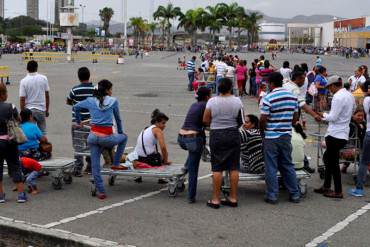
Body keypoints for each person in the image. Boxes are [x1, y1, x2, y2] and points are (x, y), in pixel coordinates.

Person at [73, 80, 128, 200]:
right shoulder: (113, 101)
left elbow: (75, 107)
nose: (112, 92)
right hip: (107, 138)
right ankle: (116, 164)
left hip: (92, 137)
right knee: (124, 137)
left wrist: (78, 121)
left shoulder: (90, 100)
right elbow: (118, 120)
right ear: (107, 91)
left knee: (95, 166)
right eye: (111, 89)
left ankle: (101, 192)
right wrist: (120, 132)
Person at [260, 72, 300, 204]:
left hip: (271, 136)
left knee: (271, 166)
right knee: (287, 164)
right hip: (286, 135)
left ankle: (272, 195)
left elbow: (263, 119)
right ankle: (294, 193)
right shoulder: (292, 97)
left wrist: (263, 131)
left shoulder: (268, 98)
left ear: (271, 83)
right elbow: (295, 120)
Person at [203, 78, 244, 209]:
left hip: (217, 134)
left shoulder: (211, 101)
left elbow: (205, 119)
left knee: (217, 167)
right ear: (230, 87)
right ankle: (233, 197)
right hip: (232, 133)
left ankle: (215, 199)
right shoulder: (237, 101)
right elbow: (242, 120)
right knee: (234, 167)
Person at [315, 76, 355, 199]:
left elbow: (333, 117)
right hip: (342, 133)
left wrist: (323, 115)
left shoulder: (338, 97)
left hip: (335, 134)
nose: (329, 90)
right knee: (328, 158)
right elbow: (352, 111)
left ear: (333, 85)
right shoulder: (349, 95)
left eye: (329, 87)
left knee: (332, 162)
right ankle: (326, 185)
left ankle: (338, 191)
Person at [178, 87, 211, 203]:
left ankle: (181, 174)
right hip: (193, 139)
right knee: (194, 169)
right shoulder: (206, 105)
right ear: (207, 96)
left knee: (192, 157)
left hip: (181, 137)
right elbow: (207, 123)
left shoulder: (194, 105)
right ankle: (191, 196)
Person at [0, 82, 27, 203]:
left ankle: (1, 195)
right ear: (3, 94)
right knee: (15, 166)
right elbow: (19, 120)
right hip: (10, 141)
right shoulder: (11, 107)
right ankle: (21, 194)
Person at [67, 67, 95, 176]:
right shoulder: (95, 89)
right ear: (89, 76)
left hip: (77, 122)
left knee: (78, 145)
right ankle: (90, 165)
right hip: (91, 122)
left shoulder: (74, 90)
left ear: (79, 77)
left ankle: (78, 167)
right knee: (90, 145)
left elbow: (69, 102)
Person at [19, 60, 50, 134]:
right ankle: (43, 144)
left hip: (29, 110)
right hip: (41, 109)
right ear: (37, 68)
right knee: (42, 132)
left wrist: (22, 113)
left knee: (29, 132)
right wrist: (47, 110)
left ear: (27, 69)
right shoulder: (43, 78)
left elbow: (22, 99)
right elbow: (47, 95)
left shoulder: (23, 81)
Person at [349, 94, 370, 197]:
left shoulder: (367, 100)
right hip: (361, 140)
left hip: (367, 136)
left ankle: (359, 189)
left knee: (364, 162)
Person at [341, 107, 366, 173]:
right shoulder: (350, 124)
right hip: (351, 145)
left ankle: (345, 165)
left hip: (358, 145)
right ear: (353, 115)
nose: (360, 117)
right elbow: (356, 137)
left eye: (362, 116)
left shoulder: (363, 123)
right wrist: (360, 128)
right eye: (358, 115)